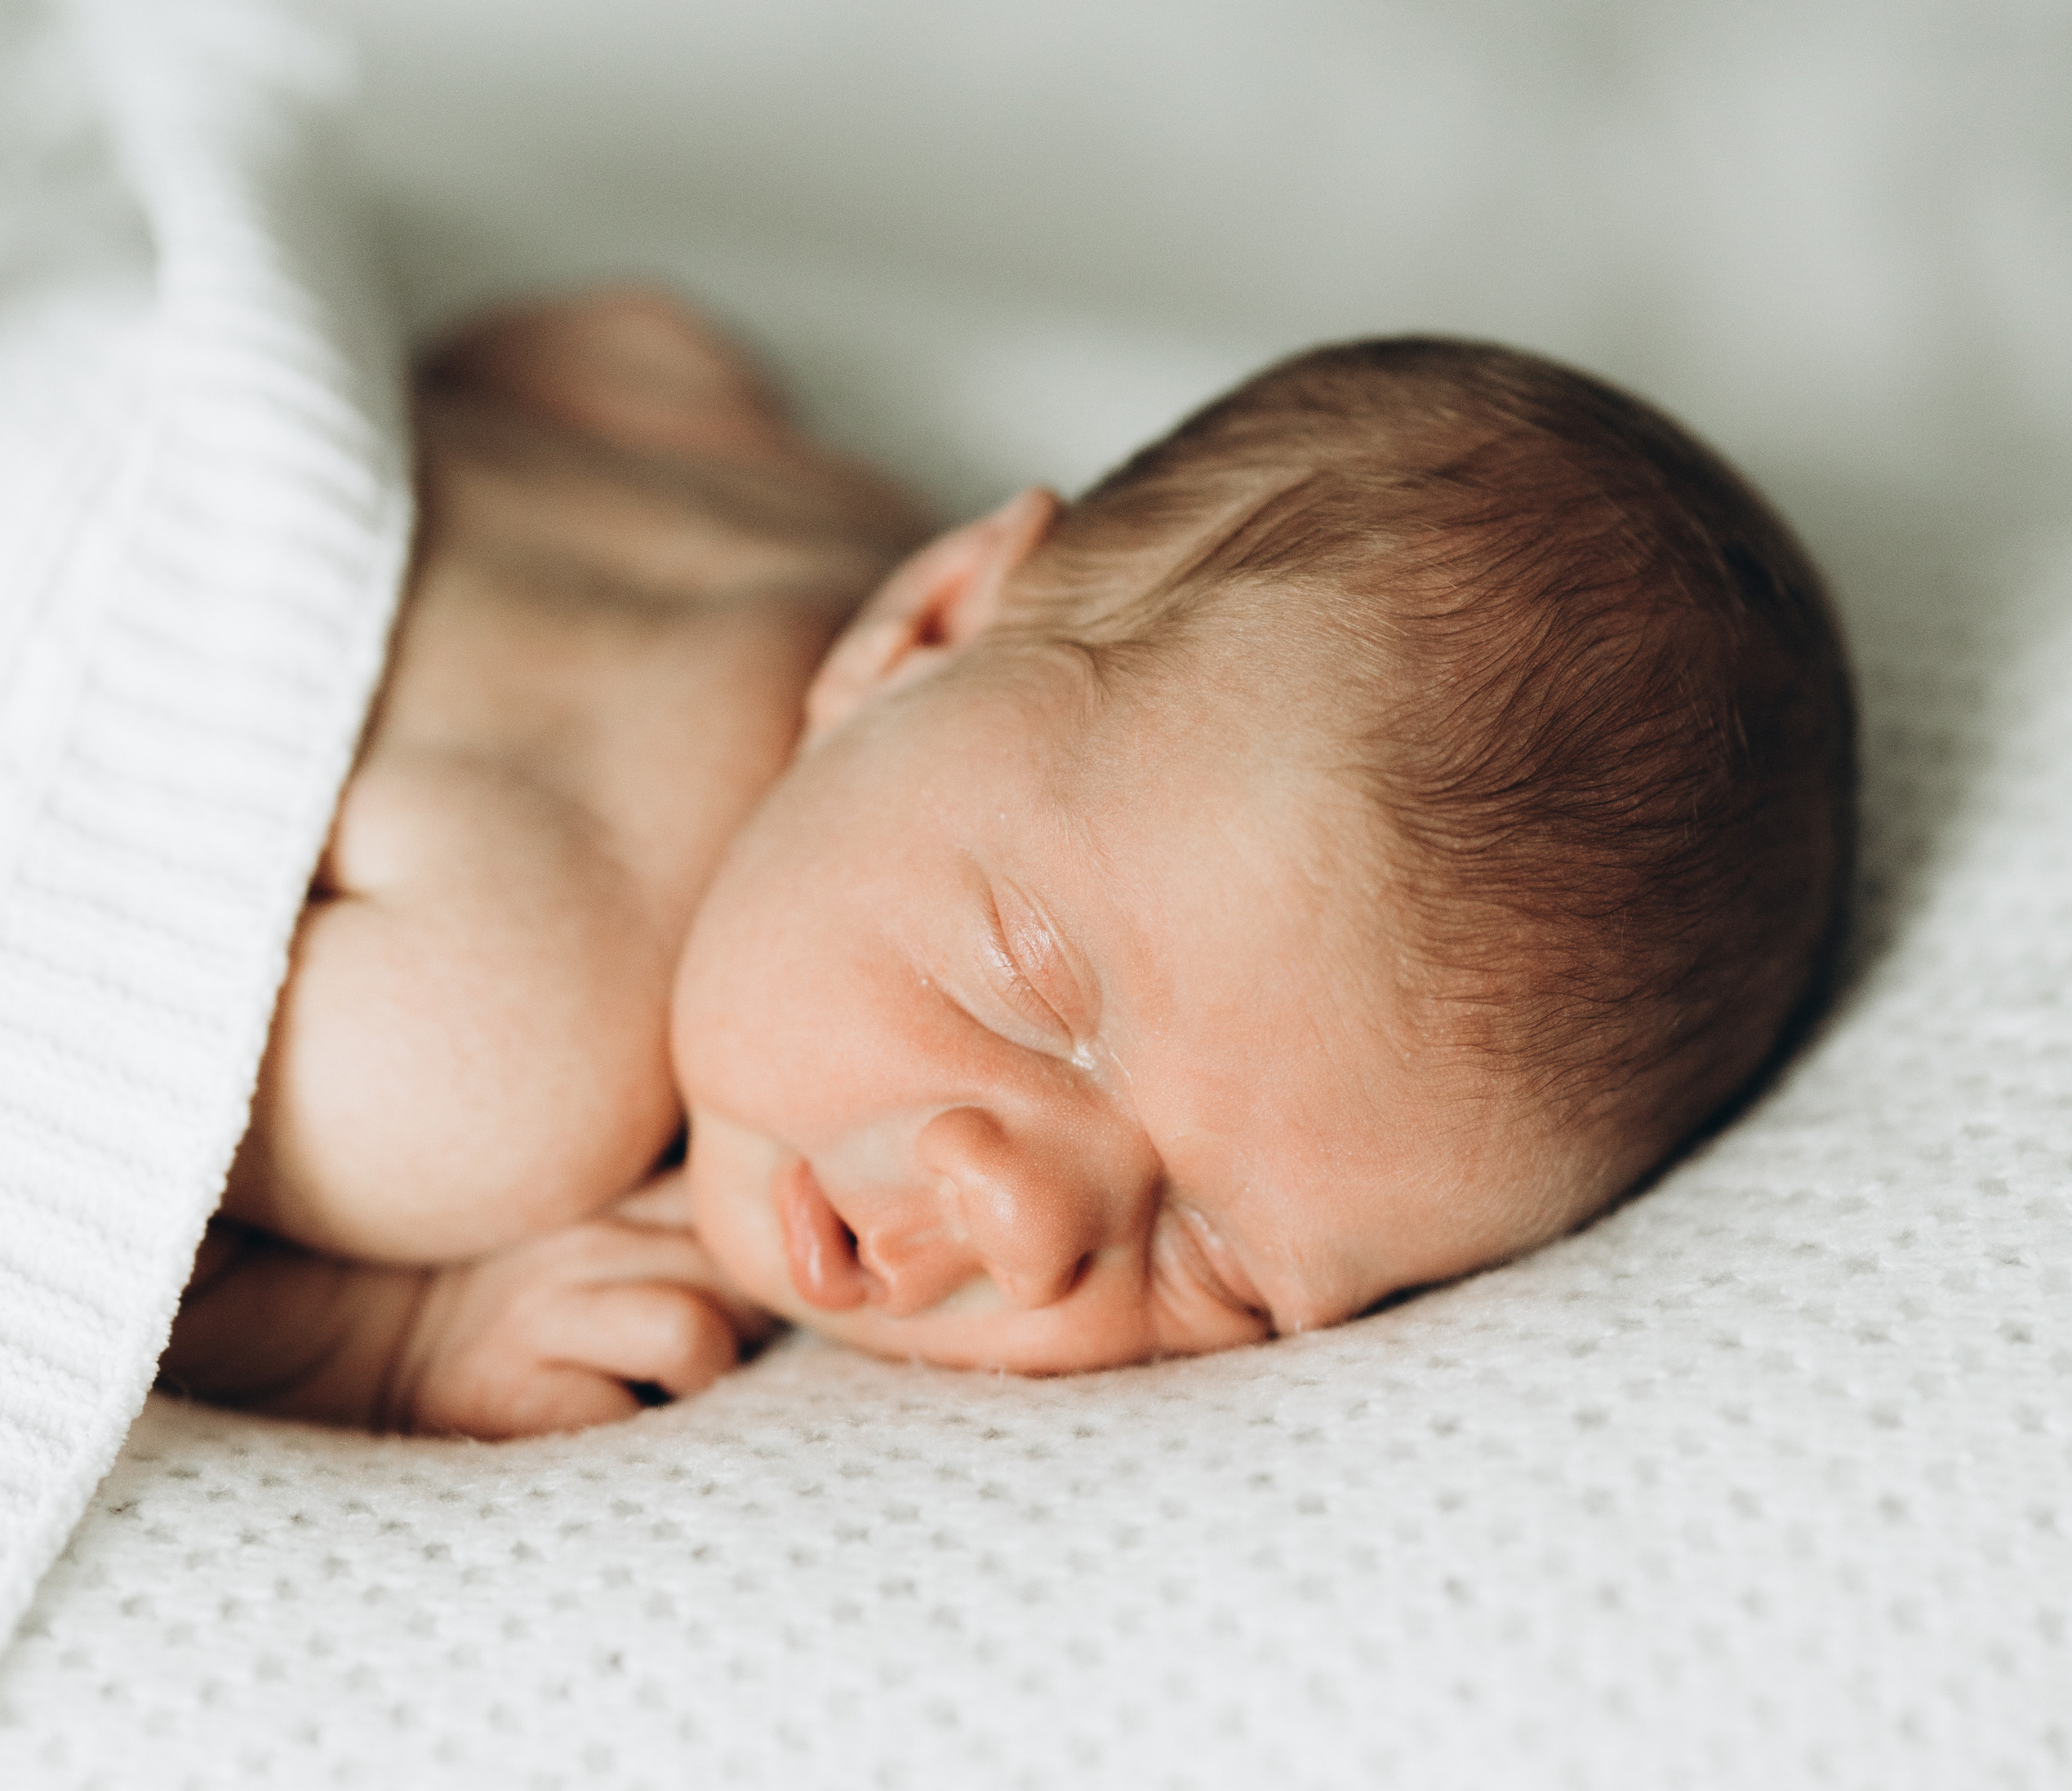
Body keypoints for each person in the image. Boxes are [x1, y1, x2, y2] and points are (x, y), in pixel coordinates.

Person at [160, 287, 1856, 1437]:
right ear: (927, 623)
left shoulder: (757, 466)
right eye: (1031, 989)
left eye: (1219, 1270)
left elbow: (587, 330)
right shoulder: (496, 1053)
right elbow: (44, 1159)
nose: (1025, 1224)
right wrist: (372, 1343)